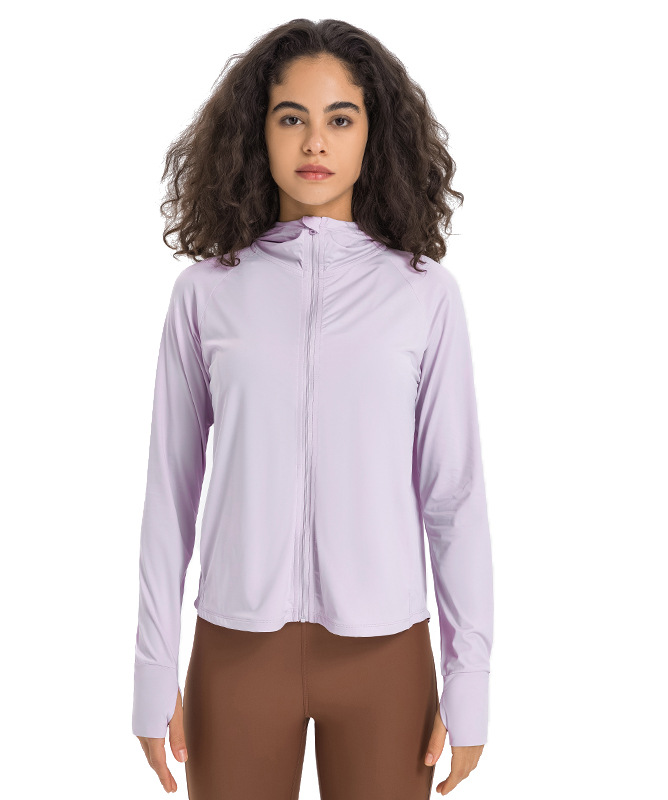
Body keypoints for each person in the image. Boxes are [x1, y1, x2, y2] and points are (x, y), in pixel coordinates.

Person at [131, 18, 494, 799]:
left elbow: (454, 497)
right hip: (236, 652)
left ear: (373, 135)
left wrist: (470, 679)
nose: (315, 142)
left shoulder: (424, 295)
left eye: (341, 118)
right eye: (291, 117)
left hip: (385, 656)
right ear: (257, 132)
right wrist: (153, 667)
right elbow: (169, 494)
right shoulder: (206, 294)